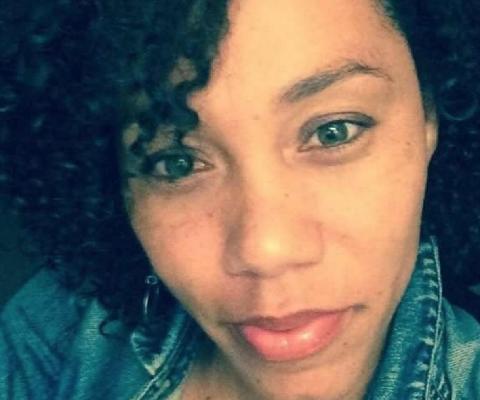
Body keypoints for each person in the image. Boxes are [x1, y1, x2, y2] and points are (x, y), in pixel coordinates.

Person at [1, 0, 480, 399]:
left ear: (428, 116)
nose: (266, 251)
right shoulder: (58, 330)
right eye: (177, 163)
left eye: (333, 132)